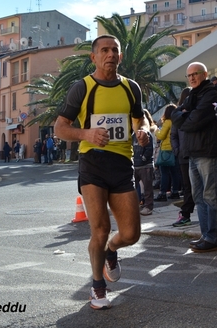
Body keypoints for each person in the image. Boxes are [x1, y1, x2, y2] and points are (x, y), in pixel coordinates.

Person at [53, 34, 150, 310]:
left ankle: (112, 251)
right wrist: (87, 134)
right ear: (93, 57)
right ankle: (97, 286)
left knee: (131, 234)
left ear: (120, 56)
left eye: (114, 50)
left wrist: (141, 131)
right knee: (100, 229)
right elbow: (60, 128)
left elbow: (139, 117)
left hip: (122, 165)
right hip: (92, 164)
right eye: (104, 50)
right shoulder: (81, 88)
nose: (110, 54)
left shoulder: (131, 88)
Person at [172, 62, 217, 253]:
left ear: (205, 74)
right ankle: (206, 235)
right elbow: (175, 116)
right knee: (199, 197)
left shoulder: (211, 93)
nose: (192, 78)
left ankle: (214, 237)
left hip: (208, 152)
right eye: (189, 75)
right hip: (192, 153)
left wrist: (186, 116)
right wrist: (185, 115)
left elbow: (194, 121)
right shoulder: (192, 95)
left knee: (211, 196)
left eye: (196, 74)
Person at [170, 88, 194, 227]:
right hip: (184, 155)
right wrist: (177, 150)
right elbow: (173, 135)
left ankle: (188, 214)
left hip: (198, 152)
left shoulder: (197, 111)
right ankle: (186, 214)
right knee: (187, 186)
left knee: (201, 187)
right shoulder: (177, 114)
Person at [155, 105, 181, 201]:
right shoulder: (177, 122)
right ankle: (175, 192)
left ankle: (162, 193)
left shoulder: (167, 122)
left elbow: (161, 136)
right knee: (175, 173)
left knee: (164, 173)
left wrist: (156, 131)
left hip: (166, 150)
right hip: (175, 149)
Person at [132, 116, 155, 216]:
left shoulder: (146, 133)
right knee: (132, 187)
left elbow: (149, 149)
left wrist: (143, 158)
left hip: (145, 165)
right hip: (135, 164)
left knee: (147, 187)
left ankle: (148, 206)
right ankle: (134, 205)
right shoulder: (133, 135)